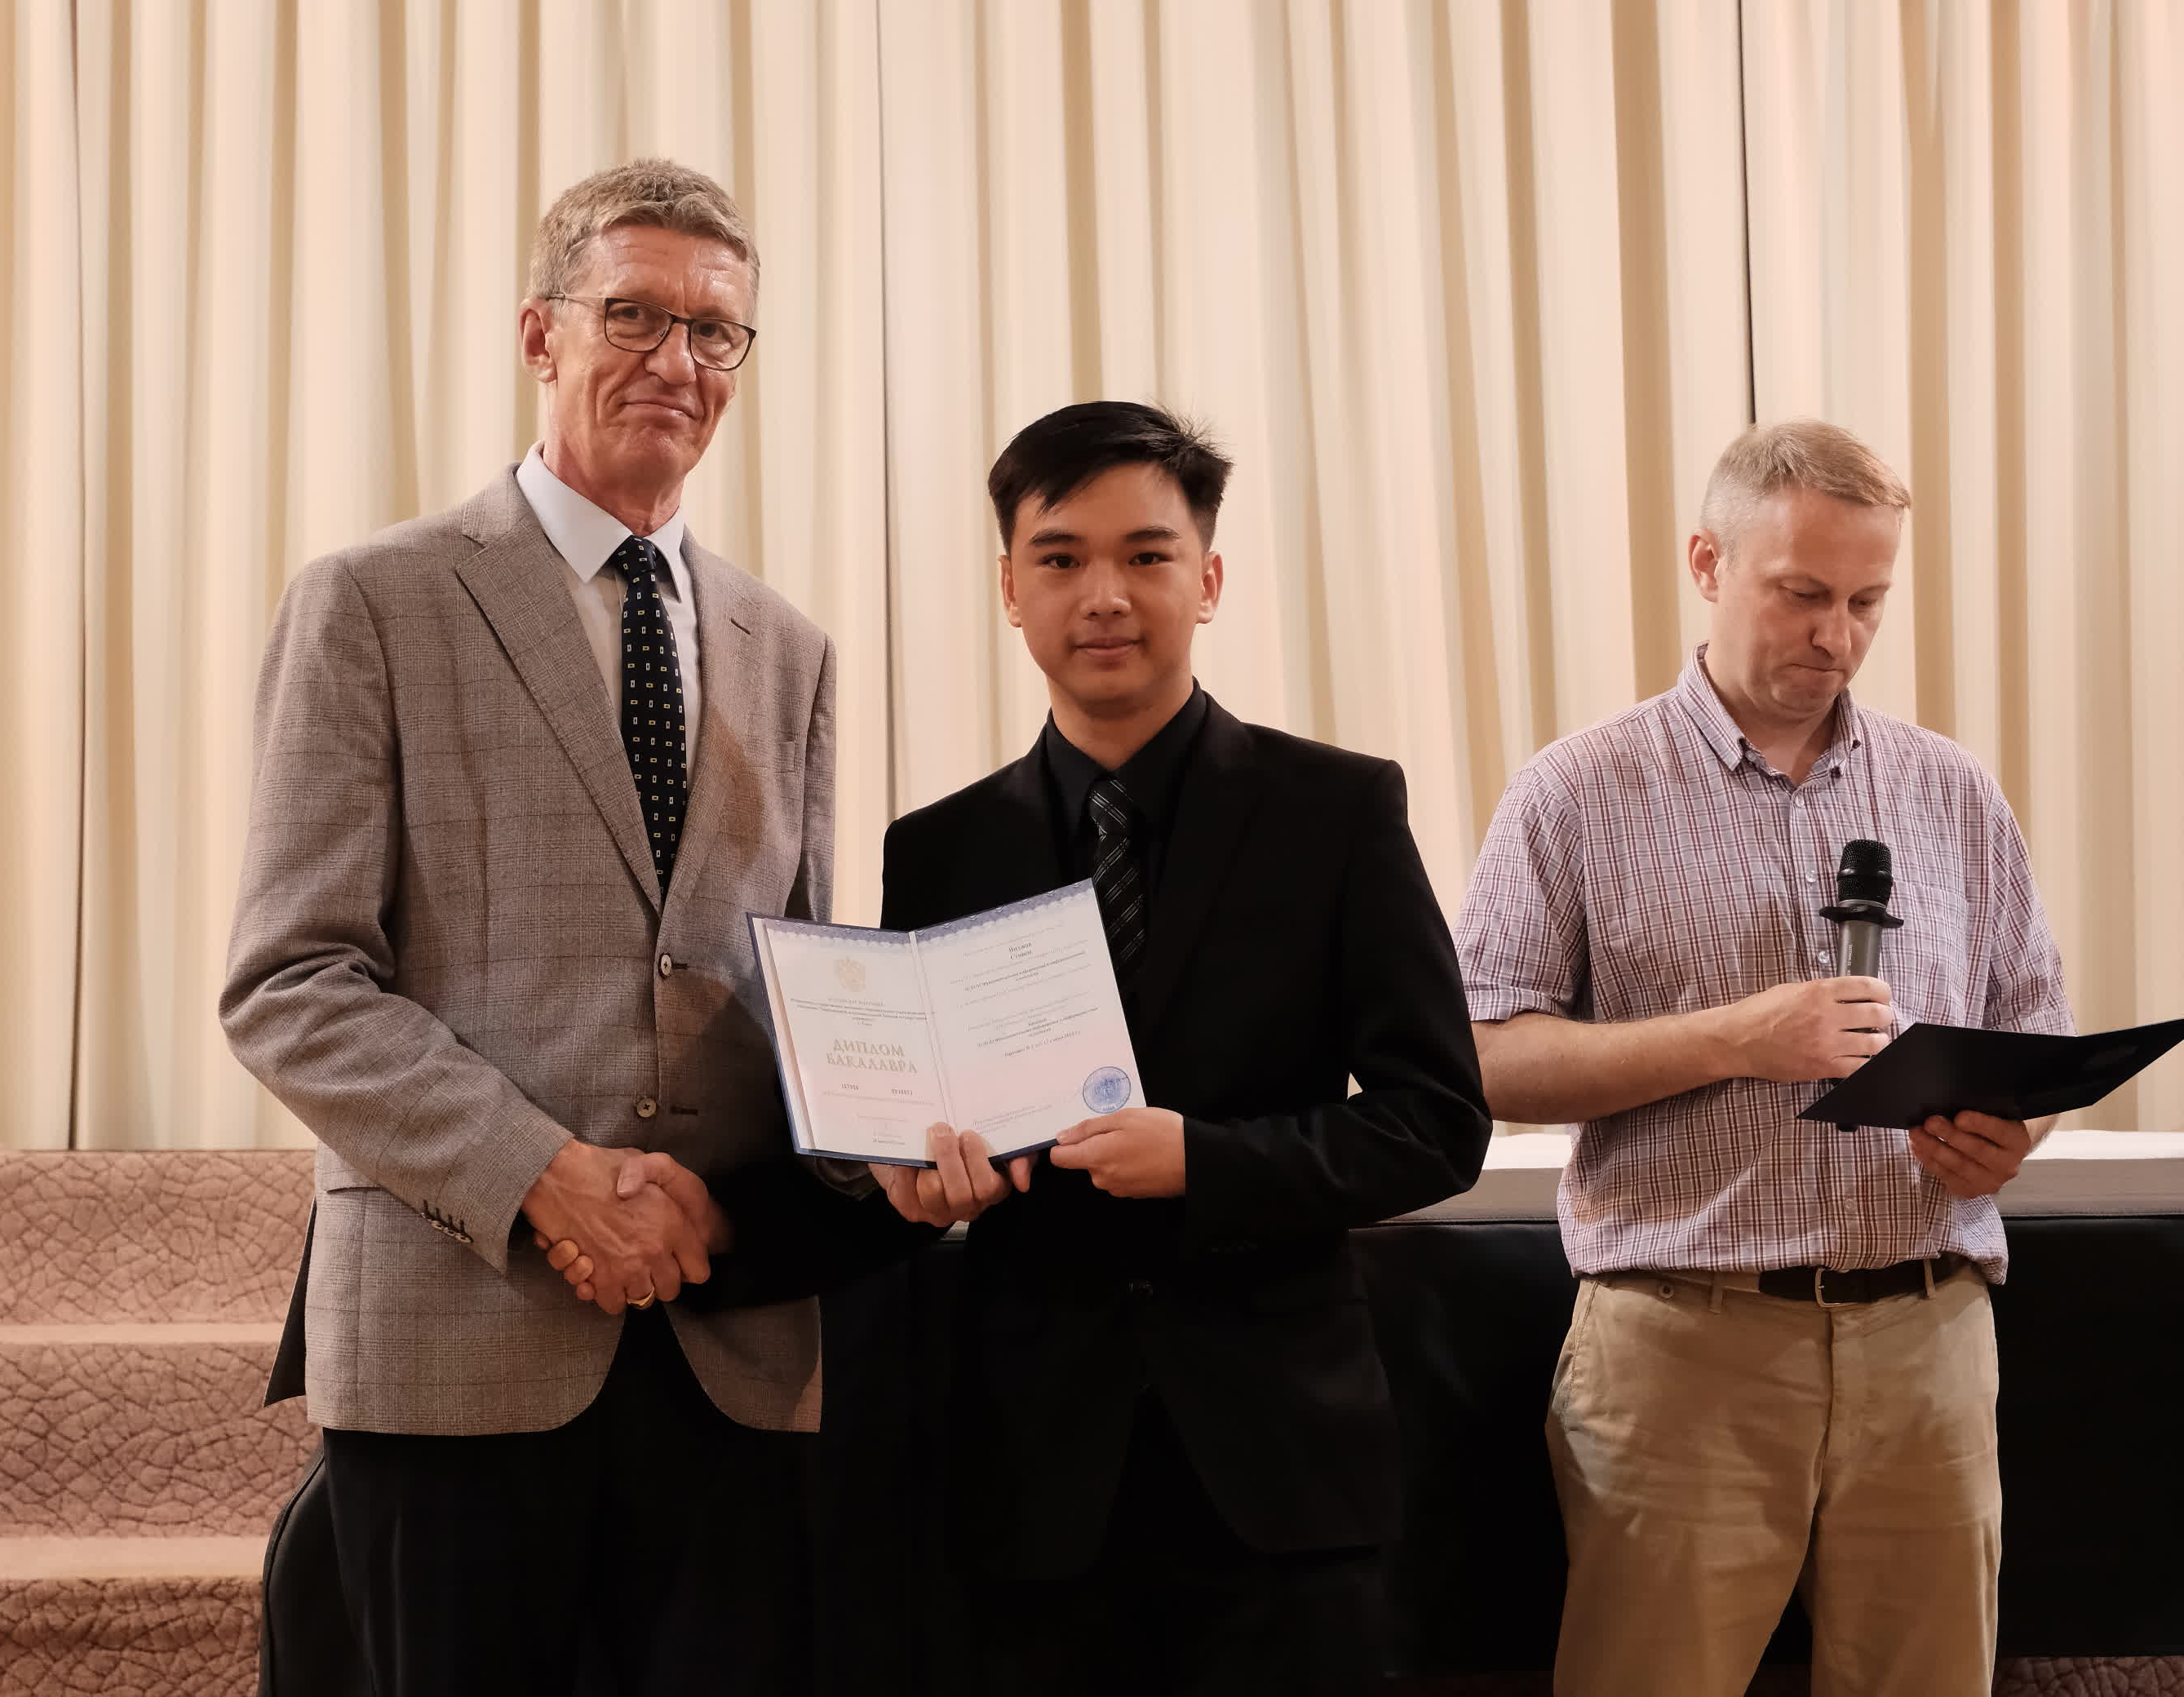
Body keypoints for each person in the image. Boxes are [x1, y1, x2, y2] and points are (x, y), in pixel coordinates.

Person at [223, 158, 901, 1697]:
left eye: (715, 332)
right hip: (458, 1342)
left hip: (729, 1348)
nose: (678, 360)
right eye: (635, 315)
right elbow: (291, 982)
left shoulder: (789, 649)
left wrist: (891, 1140)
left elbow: (791, 994)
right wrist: (547, 1176)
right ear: (542, 334)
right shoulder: (375, 600)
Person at [870, 400, 1492, 1695]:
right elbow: (916, 1130)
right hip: (1032, 1475)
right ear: (1011, 590)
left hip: (1284, 1470)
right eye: (1060, 558)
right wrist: (917, 1180)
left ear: (1207, 580)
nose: (1104, 595)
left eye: (1146, 556)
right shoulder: (937, 851)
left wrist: (1208, 1162)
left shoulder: (1337, 810)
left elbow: (1436, 1122)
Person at [1455, 419, 2073, 1697]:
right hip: (1683, 1347)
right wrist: (1738, 1038)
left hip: (1929, 1338)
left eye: (1866, 601)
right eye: (1802, 593)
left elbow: (2036, 1031)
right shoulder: (1576, 792)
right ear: (1707, 563)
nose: (1835, 636)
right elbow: (1485, 1055)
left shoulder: (1952, 791)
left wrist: (2010, 1133)